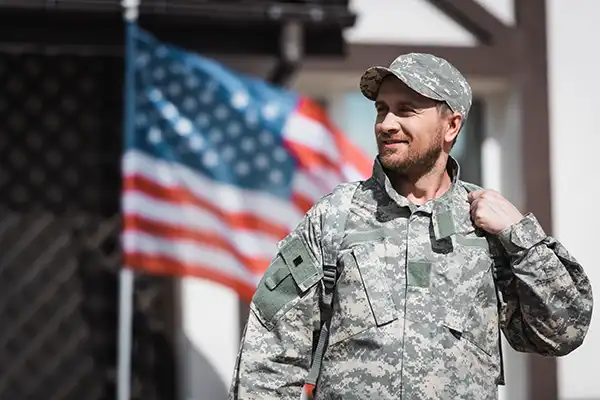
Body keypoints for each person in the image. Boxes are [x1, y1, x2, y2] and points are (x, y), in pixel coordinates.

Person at [227, 53, 593, 400]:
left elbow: (561, 332)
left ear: (451, 126)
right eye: (382, 110)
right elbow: (270, 354)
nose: (387, 124)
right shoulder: (334, 216)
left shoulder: (490, 226)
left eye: (406, 110)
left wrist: (521, 237)